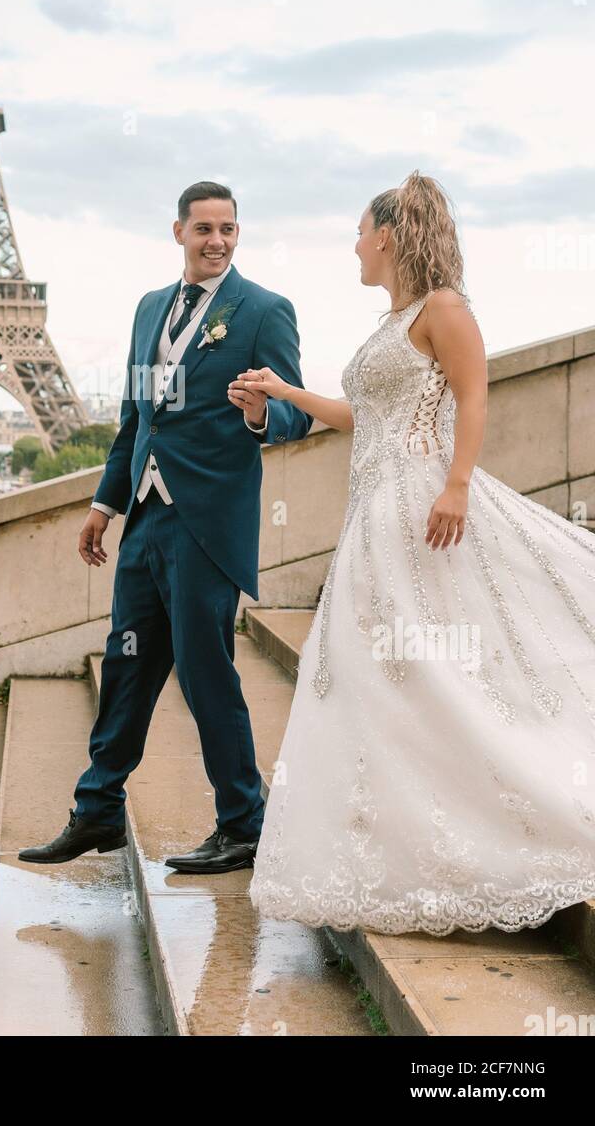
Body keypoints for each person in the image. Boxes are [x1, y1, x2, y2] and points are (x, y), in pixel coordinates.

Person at [230, 171, 595, 935]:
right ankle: (396, 832)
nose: (355, 246)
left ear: (388, 235)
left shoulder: (444, 309)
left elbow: (475, 395)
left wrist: (457, 484)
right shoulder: (390, 323)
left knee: (432, 665)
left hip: (423, 504)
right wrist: (284, 393)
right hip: (374, 516)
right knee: (382, 672)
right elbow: (359, 416)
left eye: (361, 232)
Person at [18, 180, 313, 872]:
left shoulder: (265, 311)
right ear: (178, 231)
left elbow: (294, 413)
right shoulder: (150, 309)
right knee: (124, 666)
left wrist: (256, 413)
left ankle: (243, 822)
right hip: (146, 521)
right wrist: (104, 504)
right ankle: (97, 810)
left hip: (206, 527)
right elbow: (136, 421)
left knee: (206, 676)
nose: (217, 241)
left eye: (229, 230)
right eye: (204, 229)